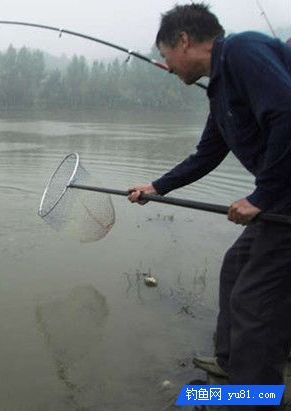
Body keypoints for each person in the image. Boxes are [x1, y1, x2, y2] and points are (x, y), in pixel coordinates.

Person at [127, 3, 291, 407]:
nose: (166, 66)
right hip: (280, 198)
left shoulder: (241, 50)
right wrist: (157, 187)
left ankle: (254, 398)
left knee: (254, 303)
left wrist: (260, 196)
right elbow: (208, 153)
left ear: (184, 41)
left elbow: (288, 113)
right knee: (235, 269)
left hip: (284, 201)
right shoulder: (221, 89)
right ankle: (232, 364)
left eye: (166, 56)